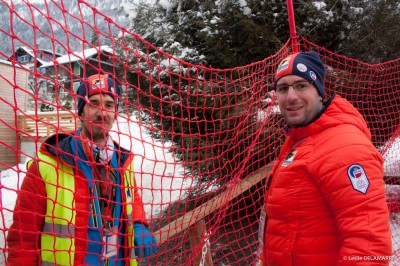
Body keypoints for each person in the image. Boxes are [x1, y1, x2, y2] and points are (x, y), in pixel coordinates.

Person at [7, 74, 157, 265]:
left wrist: (138, 223)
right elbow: (23, 236)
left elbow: (131, 197)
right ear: (81, 110)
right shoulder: (48, 163)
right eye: (93, 103)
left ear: (116, 112)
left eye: (109, 105)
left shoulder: (122, 162)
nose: (102, 112)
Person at [257, 51, 392, 265]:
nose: (291, 96)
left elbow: (369, 244)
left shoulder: (344, 147)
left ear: (319, 91)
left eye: (301, 86)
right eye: (283, 88)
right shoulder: (300, 138)